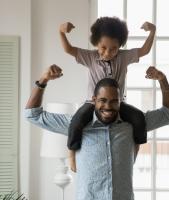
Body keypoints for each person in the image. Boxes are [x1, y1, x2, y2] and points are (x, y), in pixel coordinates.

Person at [25, 64, 169, 200]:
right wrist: (43, 81)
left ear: (120, 101)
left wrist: (162, 79)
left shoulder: (132, 124)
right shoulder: (76, 125)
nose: (108, 106)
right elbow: (33, 115)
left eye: (114, 101)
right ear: (94, 99)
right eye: (103, 100)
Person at [59, 17, 156, 171]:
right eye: (103, 47)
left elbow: (144, 50)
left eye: (114, 48)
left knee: (138, 118)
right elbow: (68, 49)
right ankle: (71, 153)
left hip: (118, 103)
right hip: (93, 103)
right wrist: (61, 32)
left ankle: (135, 149)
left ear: (120, 47)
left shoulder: (124, 57)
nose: (108, 52)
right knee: (76, 121)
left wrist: (152, 32)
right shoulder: (90, 57)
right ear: (96, 43)